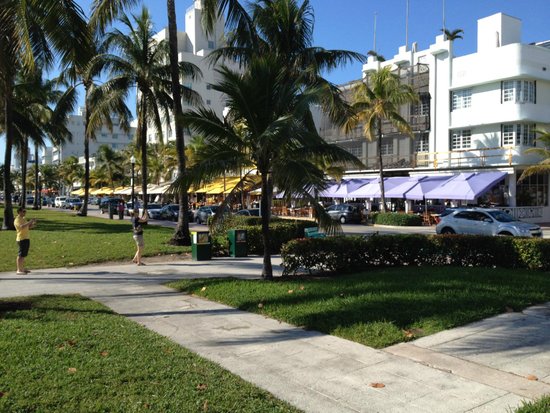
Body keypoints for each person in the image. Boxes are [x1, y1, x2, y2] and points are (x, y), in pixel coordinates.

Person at [14, 207, 36, 275]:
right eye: (23, 211)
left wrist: (33, 224)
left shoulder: (23, 219)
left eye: (25, 211)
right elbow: (21, 226)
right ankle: (18, 270)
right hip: (21, 238)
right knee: (20, 254)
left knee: (23, 255)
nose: (25, 212)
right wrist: (30, 222)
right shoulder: (17, 219)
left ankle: (22, 268)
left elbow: (28, 227)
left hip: (26, 238)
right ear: (19, 212)